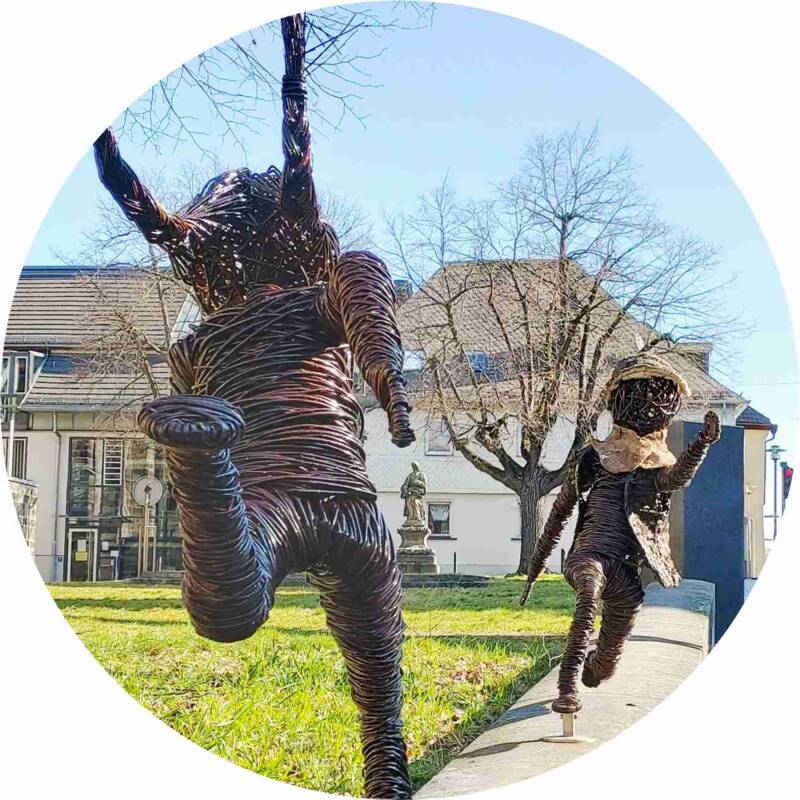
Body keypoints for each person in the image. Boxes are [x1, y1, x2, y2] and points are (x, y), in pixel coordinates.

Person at [521, 353, 720, 714]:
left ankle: (595, 668)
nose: (647, 404)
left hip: (626, 571)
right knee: (588, 593)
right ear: (618, 401)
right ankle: (566, 688)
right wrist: (533, 572)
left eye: (656, 396)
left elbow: (676, 479)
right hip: (589, 554)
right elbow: (559, 514)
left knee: (608, 658)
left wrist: (701, 444)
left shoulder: (656, 467)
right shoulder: (593, 458)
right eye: (637, 394)